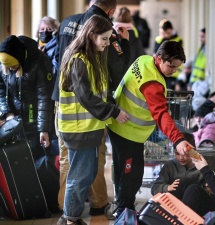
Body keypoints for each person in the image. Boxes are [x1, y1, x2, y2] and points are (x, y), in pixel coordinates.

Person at [54, 0, 131, 216]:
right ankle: (70, 218)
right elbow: (86, 97)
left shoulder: (91, 56)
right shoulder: (79, 60)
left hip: (88, 127)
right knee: (78, 177)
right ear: (91, 36)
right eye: (104, 39)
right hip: (78, 129)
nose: (107, 44)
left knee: (85, 174)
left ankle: (70, 215)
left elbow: (99, 90)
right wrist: (113, 111)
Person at [107, 41, 194, 218]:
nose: (173, 71)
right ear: (159, 58)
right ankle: (125, 213)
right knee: (132, 176)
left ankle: (123, 209)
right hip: (128, 132)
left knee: (122, 172)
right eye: (171, 66)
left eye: (177, 68)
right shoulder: (153, 83)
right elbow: (161, 113)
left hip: (118, 125)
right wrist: (177, 139)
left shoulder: (144, 60)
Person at [0, 35, 54, 160]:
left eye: (13, 66)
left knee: (37, 159)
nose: (11, 70)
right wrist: (8, 112)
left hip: (35, 119)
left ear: (20, 60)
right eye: (7, 67)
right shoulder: (4, 65)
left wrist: (44, 129)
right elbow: (1, 90)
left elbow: (44, 98)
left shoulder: (40, 63)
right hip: (14, 121)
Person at [151, 132, 203, 200]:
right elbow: (154, 189)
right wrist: (168, 187)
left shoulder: (200, 166)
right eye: (177, 153)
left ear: (193, 151)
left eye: (184, 153)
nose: (181, 158)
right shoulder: (169, 166)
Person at [154, 19, 183, 90]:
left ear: (172, 30)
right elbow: (155, 54)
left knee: (170, 92)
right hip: (160, 70)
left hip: (173, 73)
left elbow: (178, 56)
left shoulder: (178, 39)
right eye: (165, 33)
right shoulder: (158, 39)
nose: (167, 35)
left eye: (168, 33)